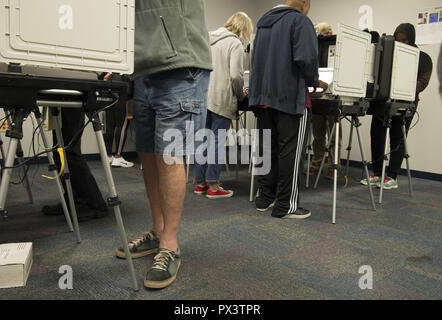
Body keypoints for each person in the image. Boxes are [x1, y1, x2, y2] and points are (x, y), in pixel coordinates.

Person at [115, 0, 212, 289]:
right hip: (143, 69)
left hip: (180, 63)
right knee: (147, 155)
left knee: (169, 156)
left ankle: (170, 244)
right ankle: (158, 231)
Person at [249, 0, 328, 219]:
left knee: (268, 150)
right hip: (290, 98)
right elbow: (307, 59)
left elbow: (255, 60)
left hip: (263, 98)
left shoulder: (263, 23)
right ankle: (286, 205)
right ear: (304, 3)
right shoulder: (300, 21)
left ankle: (265, 198)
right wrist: (314, 80)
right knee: (290, 153)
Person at [362, 23, 433, 189]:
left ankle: (392, 176)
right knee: (377, 135)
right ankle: (377, 174)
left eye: (404, 40)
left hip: (406, 103)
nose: (401, 43)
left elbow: (422, 82)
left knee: (398, 137)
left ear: (411, 39)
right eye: (398, 39)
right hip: (384, 101)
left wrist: (402, 87)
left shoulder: (423, 58)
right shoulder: (388, 55)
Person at [193, 12, 253, 199]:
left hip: (202, 96)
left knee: (202, 141)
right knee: (217, 142)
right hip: (221, 98)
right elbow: (236, 75)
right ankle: (213, 185)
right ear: (243, 29)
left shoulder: (207, 38)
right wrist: (240, 92)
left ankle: (200, 183)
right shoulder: (234, 43)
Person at [42, 107, 109, 221]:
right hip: (59, 102)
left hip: (71, 99)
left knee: (70, 152)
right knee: (59, 152)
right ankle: (74, 199)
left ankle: (96, 204)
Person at [308, 22, 342, 180]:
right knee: (318, 135)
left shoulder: (337, 48)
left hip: (333, 96)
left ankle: (333, 167)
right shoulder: (313, 48)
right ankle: (316, 163)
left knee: (334, 136)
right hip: (317, 95)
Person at [100, 72, 135, 168]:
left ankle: (108, 156)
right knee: (122, 126)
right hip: (124, 95)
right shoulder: (126, 66)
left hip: (110, 94)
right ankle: (118, 156)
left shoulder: (109, 66)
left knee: (109, 126)